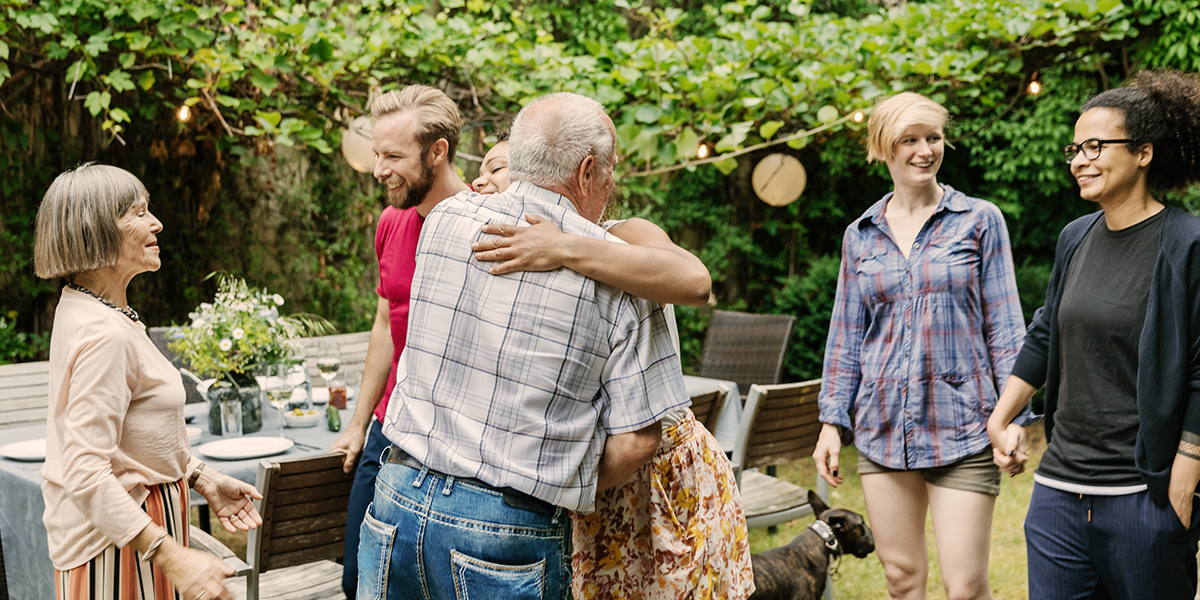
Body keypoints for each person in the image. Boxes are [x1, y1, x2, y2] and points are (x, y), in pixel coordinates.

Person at [357, 92, 690, 600]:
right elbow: (637, 442)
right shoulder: (627, 276)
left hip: (396, 500)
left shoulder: (444, 222)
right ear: (586, 171)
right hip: (507, 527)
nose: (613, 181)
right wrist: (552, 476)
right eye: (611, 169)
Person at [469, 140, 755, 599]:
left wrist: (562, 245)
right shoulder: (502, 257)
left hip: (658, 478)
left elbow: (696, 282)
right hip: (576, 483)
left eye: (499, 167)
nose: (482, 179)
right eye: (479, 170)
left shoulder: (623, 233)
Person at [987, 70, 1200, 598]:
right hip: (1058, 489)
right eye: (1075, 148)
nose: (1080, 159)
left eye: (1096, 145)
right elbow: (1045, 332)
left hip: (1142, 495)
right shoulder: (1075, 237)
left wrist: (1186, 474)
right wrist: (1001, 416)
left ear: (1144, 153)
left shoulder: (1188, 243)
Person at [813, 92, 1025, 600]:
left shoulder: (979, 220)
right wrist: (830, 422)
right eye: (910, 139)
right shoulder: (860, 236)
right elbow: (845, 335)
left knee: (966, 586)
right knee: (902, 580)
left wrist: (1013, 419)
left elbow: (1006, 328)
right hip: (883, 429)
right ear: (884, 148)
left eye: (933, 138)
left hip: (965, 429)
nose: (925, 150)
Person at [33, 163, 263, 600]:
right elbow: (85, 471)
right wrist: (170, 555)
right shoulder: (106, 332)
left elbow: (131, 437)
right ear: (94, 229)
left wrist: (199, 476)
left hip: (135, 532)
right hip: (119, 548)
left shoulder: (94, 309)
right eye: (137, 213)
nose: (155, 223)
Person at [326, 84, 473, 598]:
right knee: (358, 582)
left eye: (393, 156)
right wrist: (358, 423)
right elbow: (386, 323)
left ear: (438, 151)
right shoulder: (390, 222)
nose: (377, 170)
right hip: (391, 427)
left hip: (456, 442)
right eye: (376, 154)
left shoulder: (492, 226)